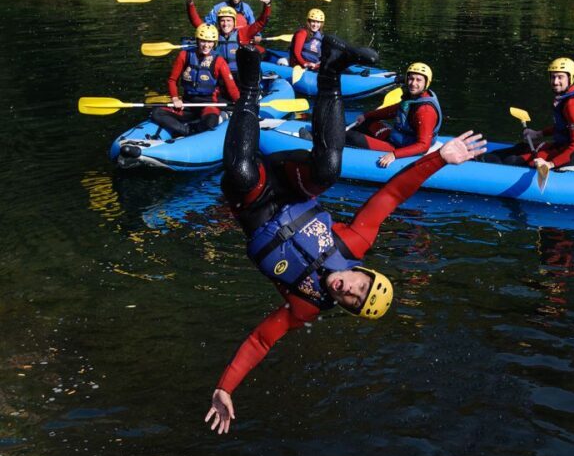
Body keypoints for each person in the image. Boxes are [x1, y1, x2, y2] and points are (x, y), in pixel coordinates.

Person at [203, 40, 486, 434]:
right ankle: (331, 71)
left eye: (352, 301)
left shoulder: (306, 306)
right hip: (291, 182)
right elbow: (392, 194)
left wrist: (225, 388)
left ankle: (249, 86)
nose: (347, 291)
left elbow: (261, 342)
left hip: (252, 203)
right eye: (359, 286)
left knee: (242, 173)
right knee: (330, 168)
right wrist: (439, 157)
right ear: (364, 272)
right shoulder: (355, 243)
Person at [483, 57, 574, 170]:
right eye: (553, 77)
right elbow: (564, 127)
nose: (555, 81)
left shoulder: (573, 105)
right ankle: (481, 159)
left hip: (573, 155)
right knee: (521, 148)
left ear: (570, 77)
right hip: (562, 147)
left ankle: (480, 167)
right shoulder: (573, 93)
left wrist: (550, 164)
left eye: (560, 77)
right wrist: (538, 134)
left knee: (512, 161)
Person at [345, 63, 443, 168]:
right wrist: (367, 115)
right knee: (365, 122)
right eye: (411, 79)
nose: (413, 83)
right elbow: (394, 110)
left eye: (418, 80)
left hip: (400, 147)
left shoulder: (425, 111)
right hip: (396, 138)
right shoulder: (414, 97)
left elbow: (424, 146)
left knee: (352, 137)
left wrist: (395, 155)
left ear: (426, 83)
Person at [150, 24, 240, 138]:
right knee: (157, 113)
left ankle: (188, 130)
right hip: (187, 104)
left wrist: (239, 102)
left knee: (209, 123)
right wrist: (175, 98)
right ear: (197, 40)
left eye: (210, 42)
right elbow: (172, 80)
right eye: (203, 41)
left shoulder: (219, 61)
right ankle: (188, 131)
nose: (206, 45)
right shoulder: (184, 55)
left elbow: (231, 87)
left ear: (214, 43)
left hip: (209, 104)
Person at [185, 0, 271, 79]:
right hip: (220, 74)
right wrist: (190, 2)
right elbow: (196, 22)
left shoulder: (243, 33)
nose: (225, 24)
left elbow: (261, 22)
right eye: (222, 20)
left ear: (234, 22)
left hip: (240, 74)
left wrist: (267, 4)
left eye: (228, 20)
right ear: (218, 22)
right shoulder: (213, 33)